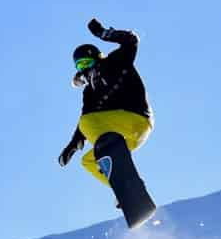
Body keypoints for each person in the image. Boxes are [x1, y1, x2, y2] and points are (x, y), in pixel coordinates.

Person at [58, 19, 153, 201]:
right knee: (88, 161)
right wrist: (72, 146)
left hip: (138, 120)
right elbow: (85, 123)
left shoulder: (115, 62)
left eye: (86, 63)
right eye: (80, 66)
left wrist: (103, 33)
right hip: (127, 136)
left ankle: (107, 147)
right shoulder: (90, 92)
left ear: (96, 58)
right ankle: (127, 191)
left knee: (87, 122)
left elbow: (131, 40)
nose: (85, 69)